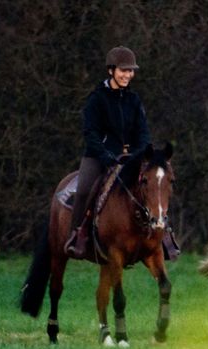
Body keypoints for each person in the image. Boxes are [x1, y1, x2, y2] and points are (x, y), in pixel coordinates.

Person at [66, 46, 151, 259]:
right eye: (123, 70)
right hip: (99, 157)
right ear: (111, 70)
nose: (128, 75)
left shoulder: (134, 100)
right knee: (85, 189)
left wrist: (139, 154)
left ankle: (163, 235)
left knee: (155, 185)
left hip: (130, 159)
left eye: (131, 71)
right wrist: (105, 156)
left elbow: (143, 132)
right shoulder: (97, 99)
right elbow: (90, 133)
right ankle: (76, 235)